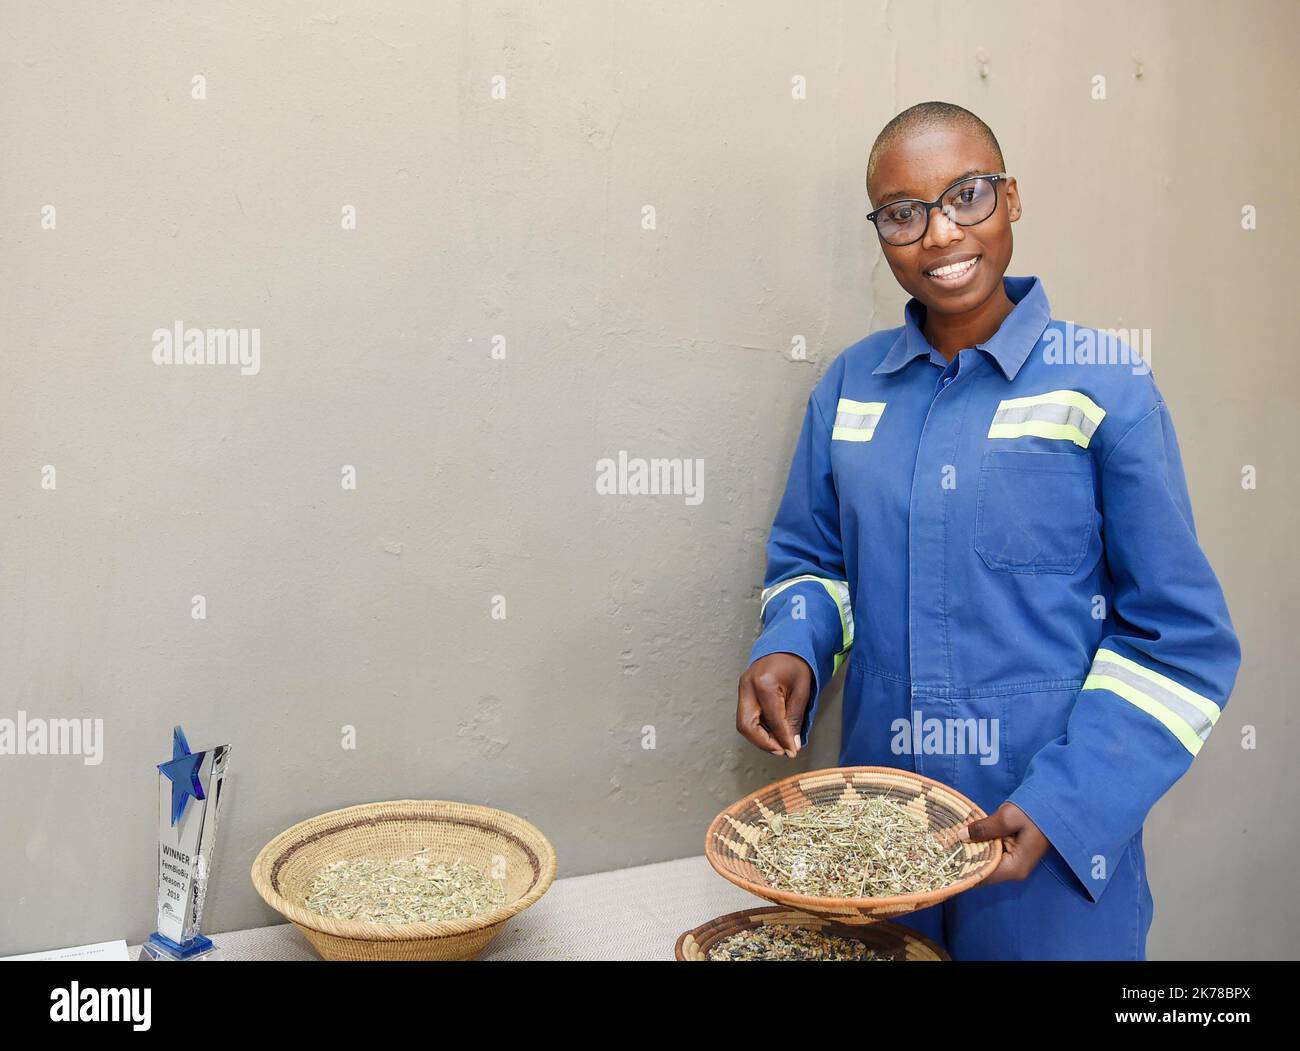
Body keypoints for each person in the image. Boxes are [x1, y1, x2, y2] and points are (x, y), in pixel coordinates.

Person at [735, 101, 1241, 960]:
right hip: (880, 840)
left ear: (1011, 199)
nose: (938, 234)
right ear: (881, 231)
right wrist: (793, 644)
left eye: (966, 195)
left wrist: (1065, 803)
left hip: (1049, 855)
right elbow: (814, 564)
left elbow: (1178, 642)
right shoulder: (849, 389)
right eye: (903, 213)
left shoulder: (1103, 384)